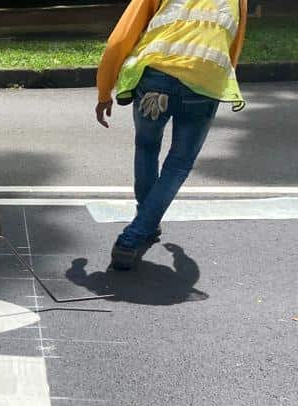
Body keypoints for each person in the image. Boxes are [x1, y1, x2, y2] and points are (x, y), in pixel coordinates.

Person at [95, 0, 247, 269]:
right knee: (178, 164)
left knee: (146, 147)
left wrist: (105, 89)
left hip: (154, 77)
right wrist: (222, 77)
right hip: (205, 82)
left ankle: (142, 227)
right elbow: (233, 41)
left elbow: (121, 37)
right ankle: (139, 231)